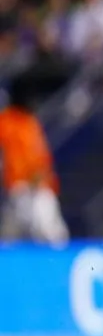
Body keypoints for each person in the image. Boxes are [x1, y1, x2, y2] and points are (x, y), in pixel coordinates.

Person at [0, 78, 69, 246]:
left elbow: (40, 155)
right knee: (13, 237)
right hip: (20, 187)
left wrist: (42, 175)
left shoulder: (30, 122)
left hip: (38, 187)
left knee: (50, 235)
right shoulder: (6, 122)